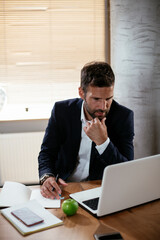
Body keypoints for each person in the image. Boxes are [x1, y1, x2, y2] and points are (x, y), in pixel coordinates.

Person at [38, 61, 134, 199]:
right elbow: (47, 152)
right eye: (96, 99)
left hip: (101, 190)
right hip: (64, 187)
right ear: (81, 93)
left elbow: (126, 171)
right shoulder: (62, 111)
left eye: (109, 98)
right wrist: (47, 177)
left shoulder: (123, 116)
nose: (103, 106)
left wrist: (103, 142)